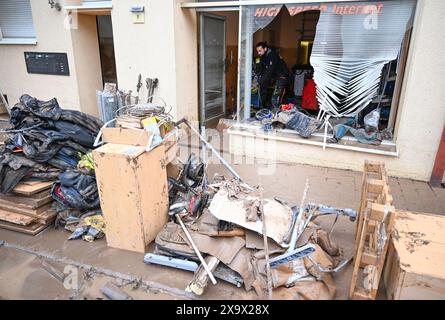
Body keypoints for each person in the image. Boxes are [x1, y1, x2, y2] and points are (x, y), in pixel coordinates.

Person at [255, 42, 290, 110]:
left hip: (282, 77)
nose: (258, 53)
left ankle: (278, 115)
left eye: (260, 51)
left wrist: (259, 81)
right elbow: (262, 69)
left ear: (265, 49)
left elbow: (269, 71)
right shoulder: (264, 56)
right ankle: (267, 109)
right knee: (266, 93)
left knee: (275, 98)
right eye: (258, 51)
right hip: (275, 77)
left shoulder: (273, 56)